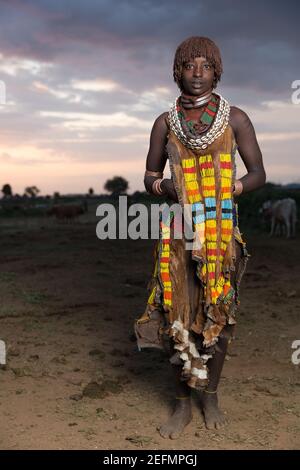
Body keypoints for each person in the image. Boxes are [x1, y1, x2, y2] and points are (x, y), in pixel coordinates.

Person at [135, 36, 266, 439]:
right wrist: (165, 190)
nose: (197, 73)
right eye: (190, 66)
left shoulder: (235, 119)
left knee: (218, 314)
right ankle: (181, 404)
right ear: (178, 71)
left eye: (205, 67)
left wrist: (229, 190)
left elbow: (258, 174)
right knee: (177, 316)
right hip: (178, 234)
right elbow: (150, 176)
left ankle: (209, 395)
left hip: (221, 232)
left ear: (216, 72)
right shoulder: (164, 122)